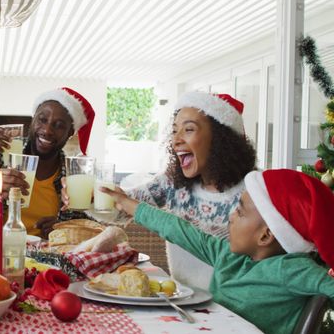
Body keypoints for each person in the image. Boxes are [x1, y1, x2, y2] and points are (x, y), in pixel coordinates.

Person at [101, 169, 334, 334]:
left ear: (265, 236)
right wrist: (127, 203)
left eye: (240, 213)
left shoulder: (292, 269)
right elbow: (178, 229)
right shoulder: (228, 256)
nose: (231, 216)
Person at [64, 92, 256, 290]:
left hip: (232, 304)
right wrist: (92, 198)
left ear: (221, 139)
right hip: (184, 296)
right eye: (174, 131)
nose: (176, 140)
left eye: (188, 129)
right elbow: (125, 206)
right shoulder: (173, 183)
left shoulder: (253, 194)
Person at [0, 88, 96, 237]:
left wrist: (62, 227)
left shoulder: (74, 176)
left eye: (59, 125)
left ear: (70, 133)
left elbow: (85, 227)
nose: (47, 130)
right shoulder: (3, 152)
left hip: (45, 256)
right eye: (42, 119)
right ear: (33, 119)